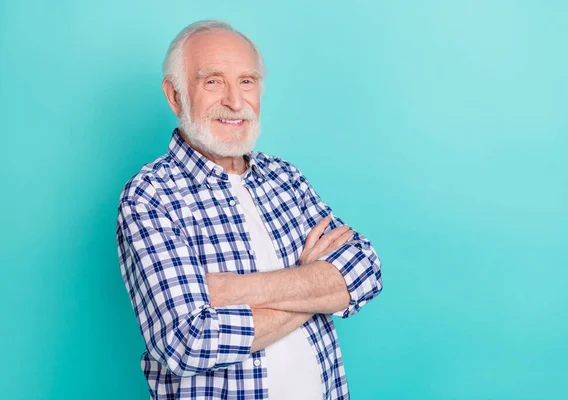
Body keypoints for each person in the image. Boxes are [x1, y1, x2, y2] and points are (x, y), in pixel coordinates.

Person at [116, 20, 383, 400]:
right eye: (213, 81)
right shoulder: (150, 197)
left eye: (247, 81)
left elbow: (364, 271)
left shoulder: (285, 177)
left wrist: (235, 290)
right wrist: (313, 288)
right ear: (175, 96)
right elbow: (190, 340)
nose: (235, 102)